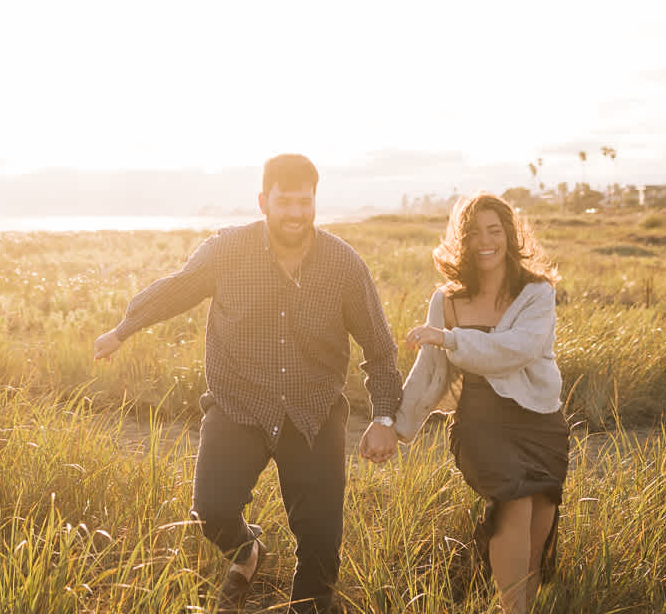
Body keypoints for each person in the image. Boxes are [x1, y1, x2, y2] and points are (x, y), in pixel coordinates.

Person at [92, 153, 402, 614]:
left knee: (320, 540)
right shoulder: (227, 251)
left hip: (313, 409)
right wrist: (122, 330)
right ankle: (247, 551)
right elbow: (178, 288)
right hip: (239, 403)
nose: (296, 213)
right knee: (212, 510)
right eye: (285, 202)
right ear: (263, 201)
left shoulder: (343, 264)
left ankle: (310, 604)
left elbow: (380, 347)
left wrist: (382, 417)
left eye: (305, 202)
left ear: (315, 201)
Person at [396, 193, 568, 614]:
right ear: (463, 240)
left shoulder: (536, 293)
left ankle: (522, 603)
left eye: (495, 231)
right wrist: (393, 425)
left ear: (510, 235)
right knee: (514, 502)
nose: (485, 241)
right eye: (474, 233)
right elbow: (429, 371)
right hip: (480, 421)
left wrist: (450, 338)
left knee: (540, 522)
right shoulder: (448, 299)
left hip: (540, 420)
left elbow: (519, 349)